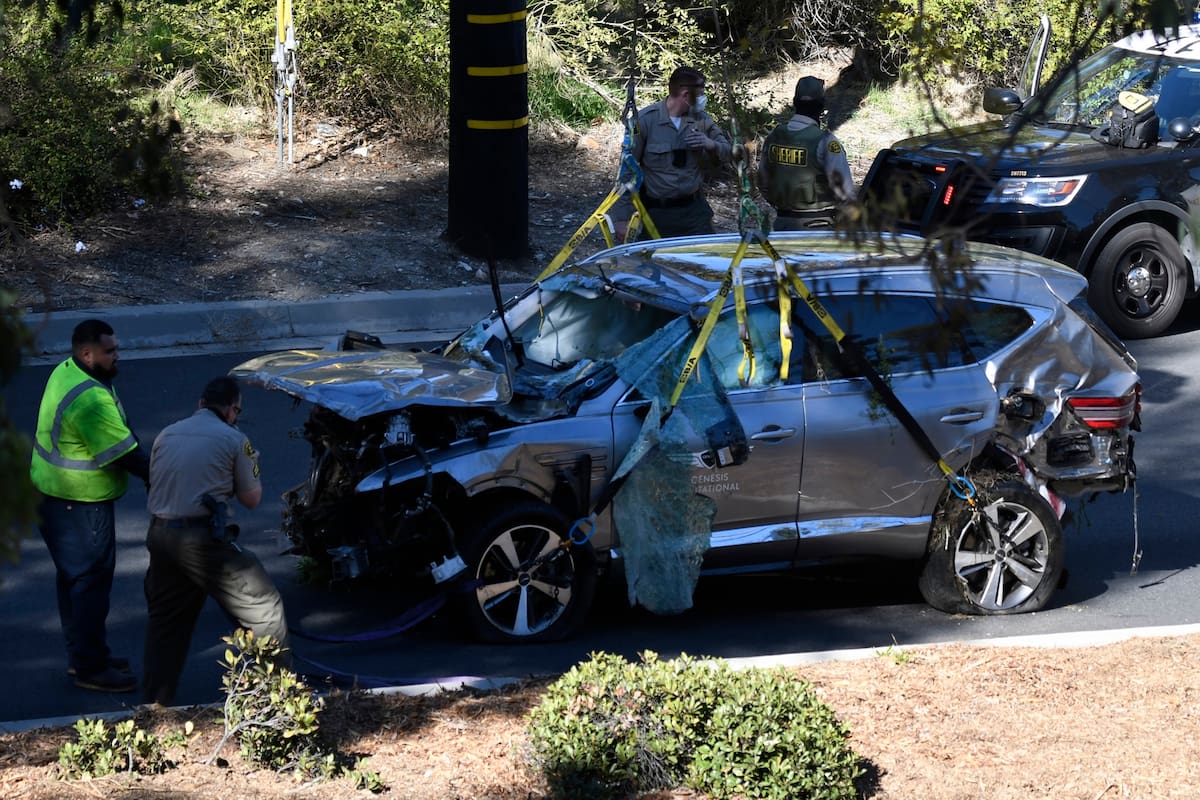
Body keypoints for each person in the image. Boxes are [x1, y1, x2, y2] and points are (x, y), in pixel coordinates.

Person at [141, 376, 290, 707]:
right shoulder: (235, 439)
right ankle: (280, 701)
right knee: (264, 608)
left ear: (200, 405)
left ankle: (154, 705)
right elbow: (252, 499)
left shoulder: (166, 434)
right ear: (232, 409)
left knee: (167, 623)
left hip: (160, 535)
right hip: (202, 539)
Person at [30, 318, 149, 693]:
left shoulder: (66, 372)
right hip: (80, 504)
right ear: (87, 353)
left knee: (74, 580)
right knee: (91, 584)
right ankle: (91, 668)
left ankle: (83, 654)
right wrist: (164, 476)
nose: (118, 356)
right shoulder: (90, 398)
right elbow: (126, 454)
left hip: (51, 497)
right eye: (110, 351)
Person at [624, 65, 733, 238]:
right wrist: (622, 218)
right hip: (656, 214)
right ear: (685, 95)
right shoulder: (645, 121)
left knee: (706, 261)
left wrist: (711, 144)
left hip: (694, 213)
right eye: (701, 94)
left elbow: (732, 153)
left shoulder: (701, 120)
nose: (704, 99)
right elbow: (626, 170)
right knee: (652, 263)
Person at [758, 75, 855, 230]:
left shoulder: (774, 137)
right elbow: (845, 193)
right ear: (821, 106)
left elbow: (763, 182)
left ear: (794, 103)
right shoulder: (826, 142)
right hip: (818, 228)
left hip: (782, 224)